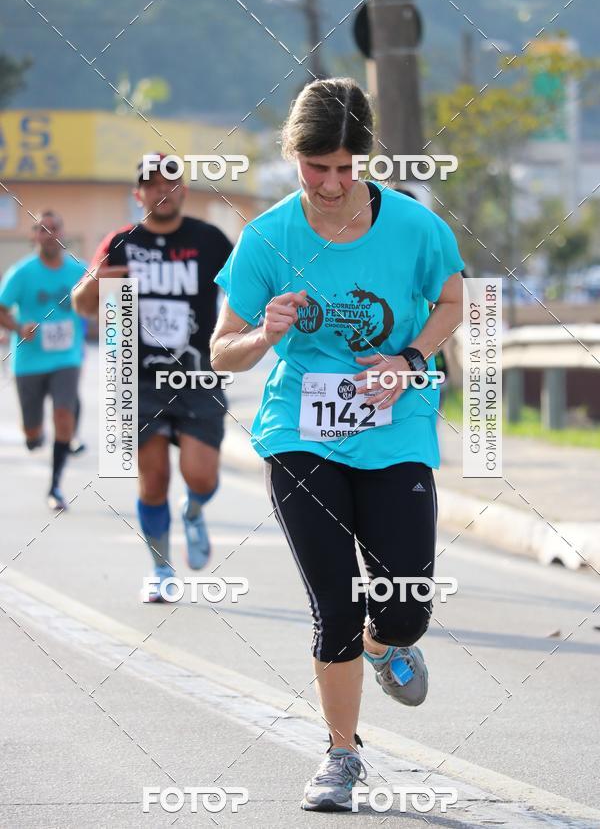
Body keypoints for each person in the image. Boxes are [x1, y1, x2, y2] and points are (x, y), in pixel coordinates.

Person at [211, 78, 464, 812]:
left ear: (366, 160)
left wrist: (411, 360)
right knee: (336, 602)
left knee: (405, 603)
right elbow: (224, 349)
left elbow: (455, 301)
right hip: (301, 434)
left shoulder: (416, 229)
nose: (330, 183)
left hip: (398, 426)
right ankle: (341, 756)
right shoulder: (267, 237)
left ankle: (392, 644)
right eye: (315, 167)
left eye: (346, 168)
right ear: (294, 156)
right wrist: (266, 332)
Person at [72, 154, 232, 600]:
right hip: (135, 380)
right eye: (152, 184)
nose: (162, 191)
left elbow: (248, 291)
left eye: (171, 183)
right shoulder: (121, 242)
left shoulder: (210, 241)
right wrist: (96, 284)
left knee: (200, 475)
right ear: (138, 193)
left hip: (199, 376)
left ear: (184, 191)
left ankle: (195, 511)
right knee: (154, 476)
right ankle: (161, 569)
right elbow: (82, 304)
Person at [0, 211, 88, 511]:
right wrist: (18, 328)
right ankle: (32, 436)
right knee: (33, 433)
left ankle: (55, 487)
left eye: (53, 228)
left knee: (64, 415)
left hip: (66, 357)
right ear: (33, 236)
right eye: (41, 229)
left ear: (63, 233)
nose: (48, 234)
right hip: (28, 361)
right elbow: (1, 308)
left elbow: (103, 297)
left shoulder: (79, 270)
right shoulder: (22, 273)